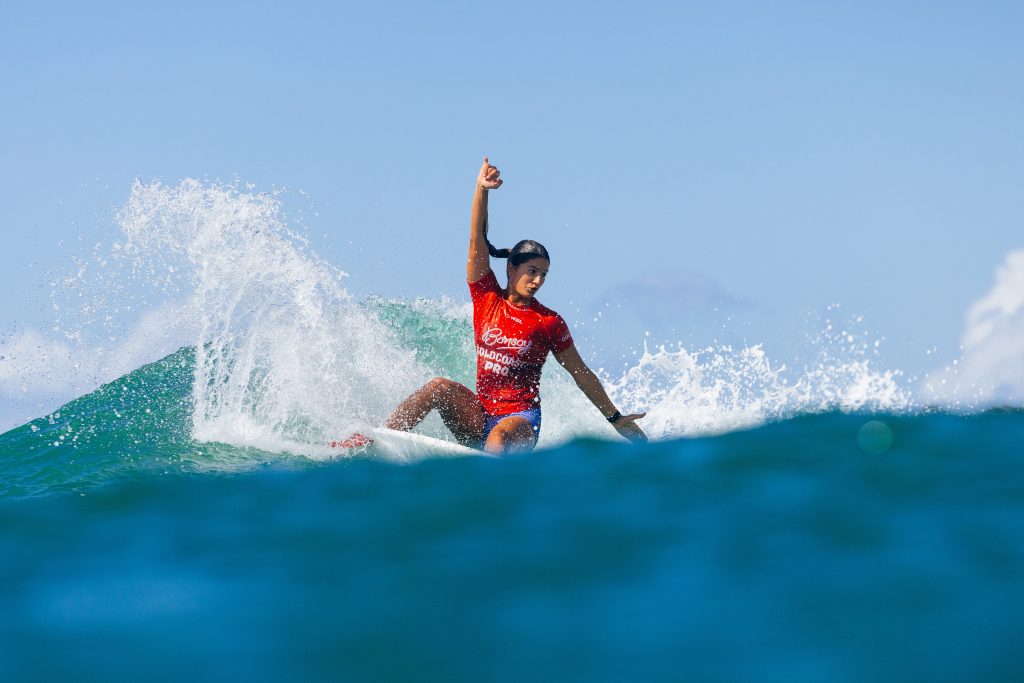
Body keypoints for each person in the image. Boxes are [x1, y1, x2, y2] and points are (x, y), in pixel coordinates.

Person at [383, 157, 647, 454]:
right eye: (532, 271)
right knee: (438, 387)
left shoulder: (548, 321)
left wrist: (615, 418)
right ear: (511, 269)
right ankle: (382, 438)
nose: (537, 280)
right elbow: (476, 240)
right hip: (480, 415)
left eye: (543, 274)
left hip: (519, 421)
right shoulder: (486, 297)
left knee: (498, 437)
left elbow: (580, 372)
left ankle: (493, 492)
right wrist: (481, 190)